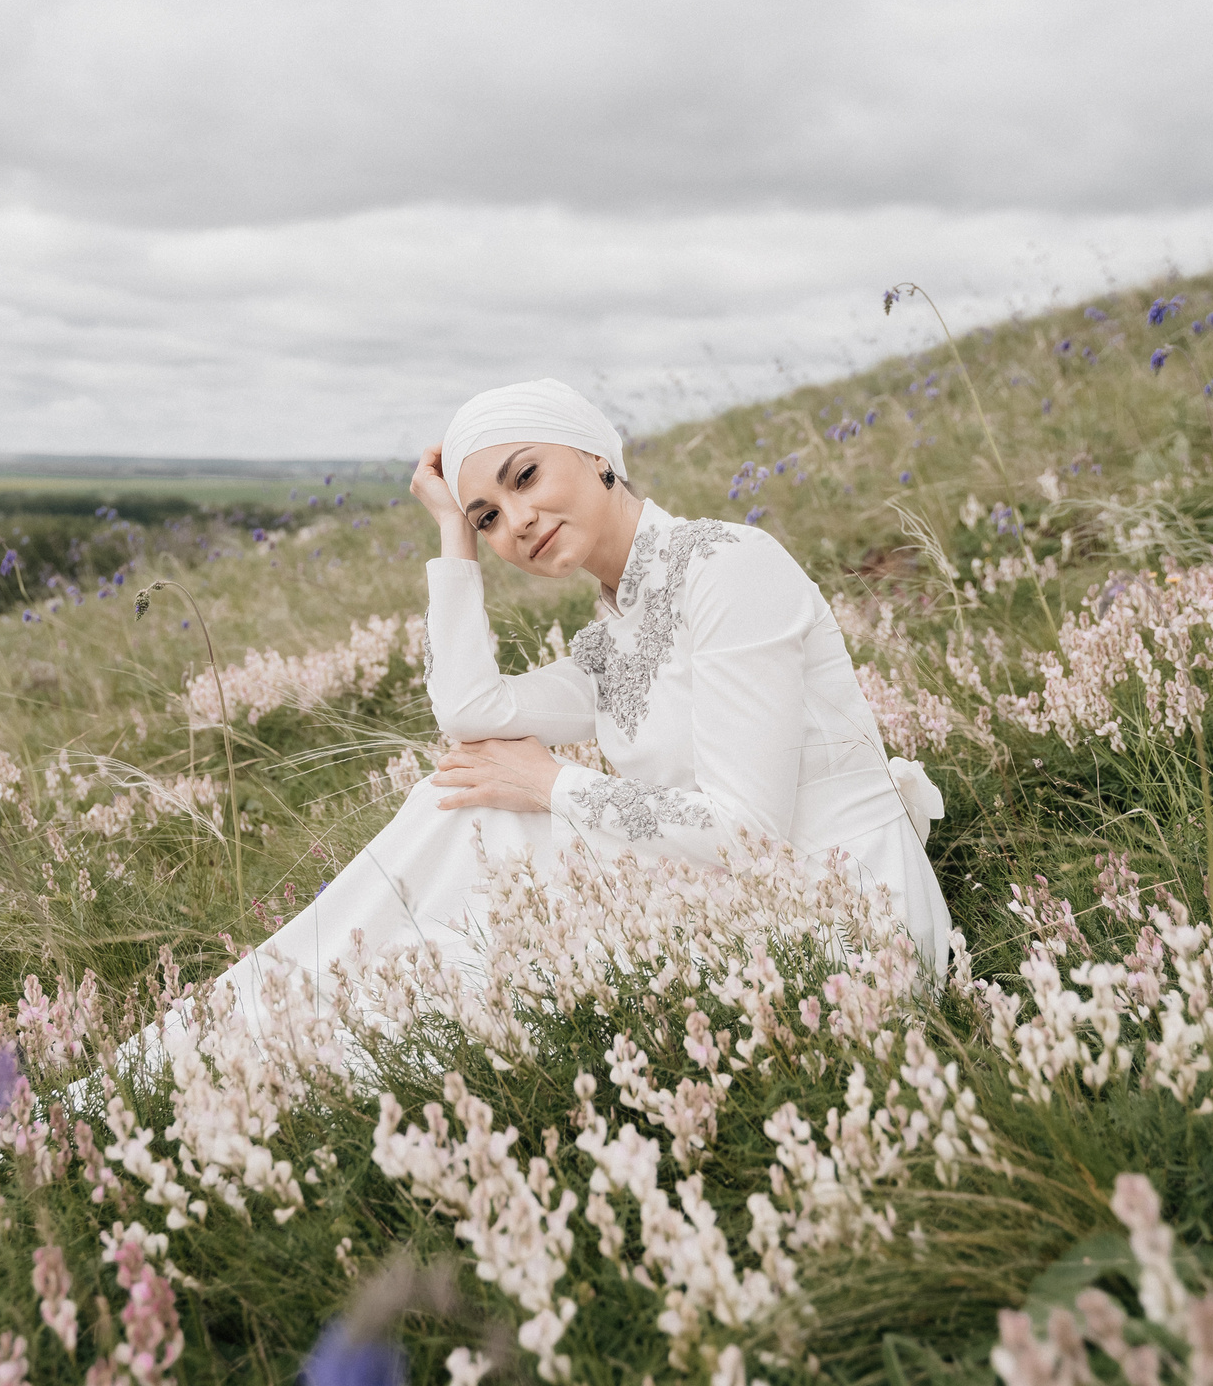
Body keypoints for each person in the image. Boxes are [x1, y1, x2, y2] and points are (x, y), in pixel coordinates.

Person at [215, 377, 953, 1031]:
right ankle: (274, 1005)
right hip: (740, 895)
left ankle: (307, 1008)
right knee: (467, 798)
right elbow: (470, 710)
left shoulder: (729, 565)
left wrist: (553, 784)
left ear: (598, 454)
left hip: (848, 915)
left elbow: (747, 833)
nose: (518, 521)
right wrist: (449, 528)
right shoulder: (611, 636)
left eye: (526, 476)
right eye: (490, 518)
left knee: (505, 821)